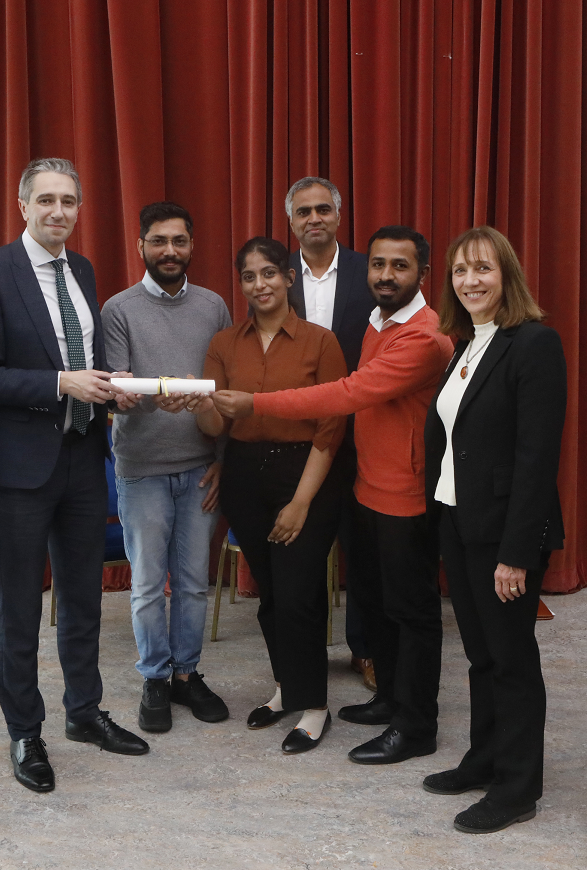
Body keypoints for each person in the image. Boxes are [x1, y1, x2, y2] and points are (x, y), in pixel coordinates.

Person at [214, 226, 454, 765]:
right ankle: (390, 697)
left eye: (400, 266)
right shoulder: (376, 322)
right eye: (378, 265)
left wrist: (257, 404)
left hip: (407, 493)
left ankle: (416, 726)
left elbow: (350, 394)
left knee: (413, 613)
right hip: (367, 487)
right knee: (380, 607)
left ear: (422, 274)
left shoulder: (424, 337)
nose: (386, 276)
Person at [0, 158, 148, 794]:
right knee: (20, 608)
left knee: (84, 598)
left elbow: (84, 356)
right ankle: (24, 731)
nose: (58, 212)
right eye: (45, 200)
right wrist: (59, 383)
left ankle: (85, 712)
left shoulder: (83, 270)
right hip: (19, 468)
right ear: (22, 207)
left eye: (68, 200)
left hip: (81, 456)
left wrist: (107, 385)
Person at [422, 226, 566, 835]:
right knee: (481, 654)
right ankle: (484, 757)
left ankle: (517, 786)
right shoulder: (466, 345)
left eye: (482, 268)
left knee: (510, 659)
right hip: (459, 520)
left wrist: (517, 553)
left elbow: (537, 458)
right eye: (459, 271)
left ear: (506, 274)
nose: (470, 280)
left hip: (504, 534)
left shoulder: (533, 344)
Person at [195, 237, 347, 753]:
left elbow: (331, 428)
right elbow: (214, 422)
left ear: (288, 278)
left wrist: (302, 501)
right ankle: (286, 690)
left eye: (269, 274)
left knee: (301, 593)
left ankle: (316, 706)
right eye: (249, 276)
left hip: (305, 472)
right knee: (271, 595)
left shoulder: (320, 342)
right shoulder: (223, 343)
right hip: (244, 475)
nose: (259, 285)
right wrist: (195, 403)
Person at [102, 201, 231, 733]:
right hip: (143, 469)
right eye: (158, 241)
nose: (170, 251)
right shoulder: (118, 309)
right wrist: (132, 397)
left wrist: (222, 460)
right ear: (141, 247)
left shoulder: (214, 307)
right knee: (149, 584)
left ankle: (187, 674)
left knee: (196, 583)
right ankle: (154, 677)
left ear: (192, 245)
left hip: (200, 466)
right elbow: (115, 388)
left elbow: (223, 389)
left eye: (179, 241)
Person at [285, 176, 376, 690]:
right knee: (304, 549)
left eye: (323, 209)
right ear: (292, 222)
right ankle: (305, 655)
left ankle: (365, 649)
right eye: (304, 211)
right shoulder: (274, 274)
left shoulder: (371, 272)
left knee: (364, 547)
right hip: (299, 434)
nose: (314, 218)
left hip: (365, 431)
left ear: (339, 217)